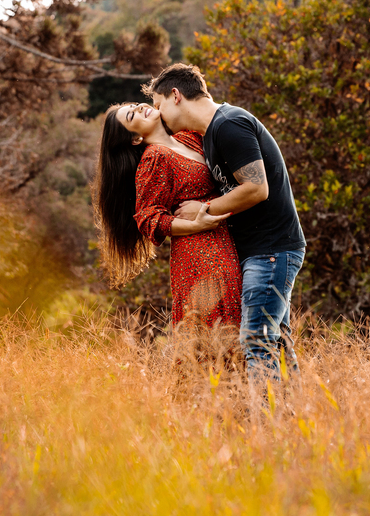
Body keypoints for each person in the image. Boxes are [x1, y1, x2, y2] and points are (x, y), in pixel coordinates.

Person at [145, 63, 306, 381]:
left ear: (175, 96)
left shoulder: (229, 123)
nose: (158, 115)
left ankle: (266, 426)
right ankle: (295, 418)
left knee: (255, 341)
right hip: (258, 250)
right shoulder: (210, 134)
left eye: (158, 106)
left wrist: (202, 209)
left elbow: (257, 189)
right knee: (278, 343)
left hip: (271, 249)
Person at [92, 102, 242, 330]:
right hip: (200, 253)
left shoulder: (186, 137)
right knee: (219, 329)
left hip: (225, 241)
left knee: (234, 323)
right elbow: (148, 218)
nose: (141, 107)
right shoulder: (155, 158)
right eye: (133, 115)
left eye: (135, 105)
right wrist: (196, 225)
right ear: (135, 139)